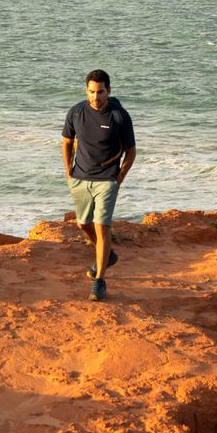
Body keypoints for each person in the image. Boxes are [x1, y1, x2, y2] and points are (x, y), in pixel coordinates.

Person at [62, 69, 136, 302]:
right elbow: (67, 142)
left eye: (101, 92)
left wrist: (119, 177)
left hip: (107, 179)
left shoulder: (119, 116)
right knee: (83, 224)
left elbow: (131, 151)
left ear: (109, 91)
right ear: (86, 91)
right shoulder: (76, 112)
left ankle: (99, 281)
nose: (96, 97)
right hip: (80, 177)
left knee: (102, 226)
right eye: (92, 92)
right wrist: (68, 172)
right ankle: (108, 255)